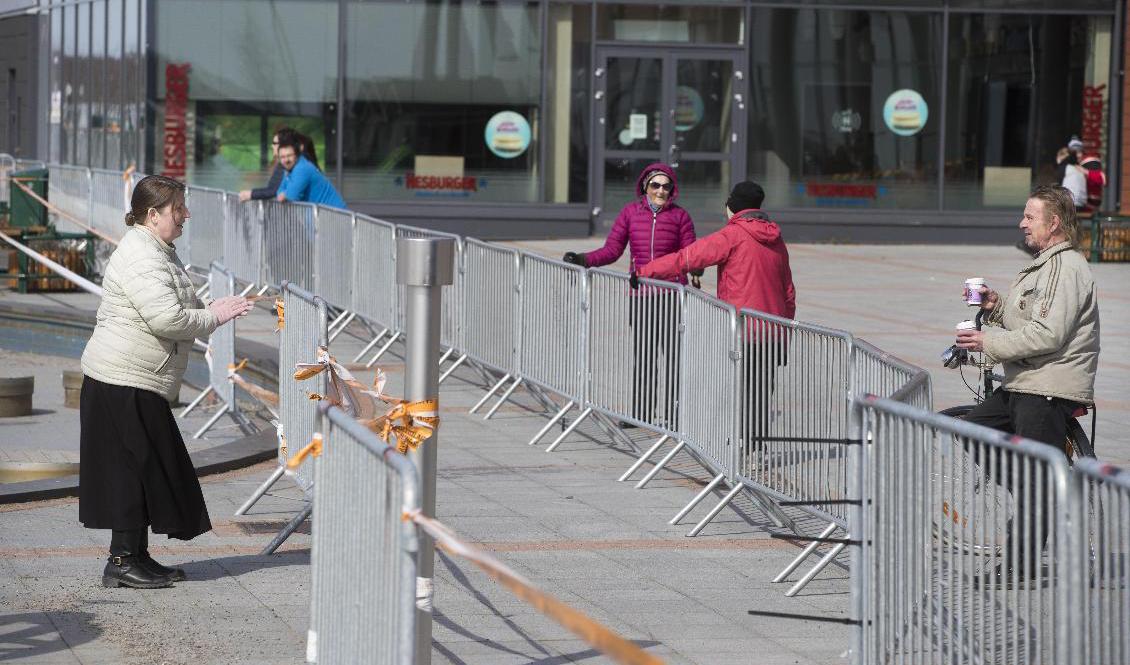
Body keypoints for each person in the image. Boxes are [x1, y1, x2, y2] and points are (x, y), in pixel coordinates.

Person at [79, 174, 253, 589]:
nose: (186, 214)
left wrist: (208, 309)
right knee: (132, 471)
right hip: (121, 380)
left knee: (144, 469)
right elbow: (167, 318)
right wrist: (215, 315)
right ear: (153, 214)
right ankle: (122, 562)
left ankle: (135, 556)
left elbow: (177, 304)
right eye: (179, 209)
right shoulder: (142, 254)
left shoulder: (157, 248)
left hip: (135, 380)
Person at [955, 184, 1100, 581]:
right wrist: (996, 306)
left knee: (1035, 481)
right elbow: (1031, 320)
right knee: (972, 427)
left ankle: (1019, 566)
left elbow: (1049, 336)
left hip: (1048, 384)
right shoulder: (1044, 264)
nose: (1022, 223)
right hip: (1026, 379)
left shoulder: (1067, 268)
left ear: (1054, 223)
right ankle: (1042, 491)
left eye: (1029, 217)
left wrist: (989, 342)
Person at [636, 181, 796, 455]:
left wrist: (645, 271)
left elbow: (686, 258)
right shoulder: (776, 238)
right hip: (772, 329)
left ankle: (739, 449)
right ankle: (755, 446)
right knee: (761, 390)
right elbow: (789, 290)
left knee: (739, 388)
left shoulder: (732, 235)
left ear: (732, 206)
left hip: (743, 329)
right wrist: (784, 329)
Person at [561, 163, 697, 428]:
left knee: (673, 357)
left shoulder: (681, 217)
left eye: (666, 186)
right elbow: (612, 250)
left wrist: (698, 267)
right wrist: (583, 259)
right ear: (645, 186)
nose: (661, 191)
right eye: (655, 185)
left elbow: (690, 254)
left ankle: (673, 416)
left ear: (673, 190)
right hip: (642, 296)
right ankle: (641, 414)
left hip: (672, 296)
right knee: (644, 356)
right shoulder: (630, 213)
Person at [276, 135, 346, 208]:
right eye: (282, 157)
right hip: (320, 213)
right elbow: (279, 192)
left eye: (289, 155)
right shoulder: (289, 169)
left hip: (333, 214)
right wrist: (285, 193)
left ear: (296, 155)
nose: (286, 160)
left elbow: (292, 195)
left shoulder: (302, 168)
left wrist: (286, 194)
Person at [238, 127, 299, 202]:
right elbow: (273, 189)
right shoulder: (282, 164)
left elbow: (274, 190)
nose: (272, 146)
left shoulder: (297, 166)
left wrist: (250, 194)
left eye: (274, 143)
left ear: (283, 145)